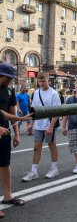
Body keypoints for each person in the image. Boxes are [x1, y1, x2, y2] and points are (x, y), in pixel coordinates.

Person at [0, 63, 30, 218]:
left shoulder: (9, 89)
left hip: (4, 133)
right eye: (10, 78)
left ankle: (8, 196)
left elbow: (10, 111)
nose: (11, 81)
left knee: (5, 164)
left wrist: (16, 133)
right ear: (4, 76)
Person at [22, 73, 61, 182]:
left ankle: (54, 168)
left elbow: (56, 112)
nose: (41, 83)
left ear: (48, 80)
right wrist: (31, 124)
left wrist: (51, 126)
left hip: (49, 124)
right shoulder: (36, 92)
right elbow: (34, 110)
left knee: (51, 145)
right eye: (40, 81)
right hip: (38, 125)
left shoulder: (54, 94)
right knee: (36, 147)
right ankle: (34, 171)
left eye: (43, 81)